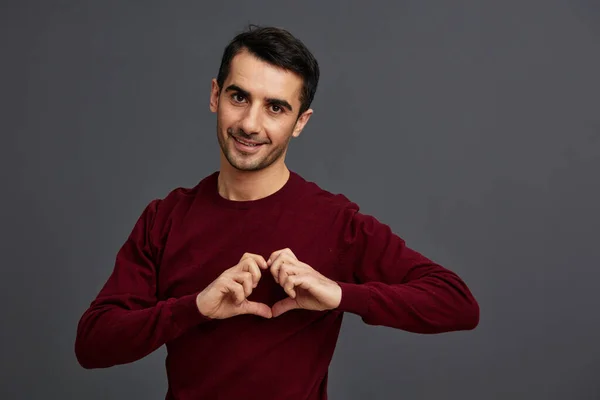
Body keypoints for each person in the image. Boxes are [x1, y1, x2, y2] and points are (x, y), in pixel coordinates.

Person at [75, 25, 479, 399]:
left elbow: (456, 302)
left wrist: (339, 295)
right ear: (215, 95)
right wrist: (195, 306)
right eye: (239, 97)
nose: (251, 123)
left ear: (300, 122)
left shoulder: (335, 222)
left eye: (275, 108)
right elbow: (93, 343)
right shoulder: (164, 218)